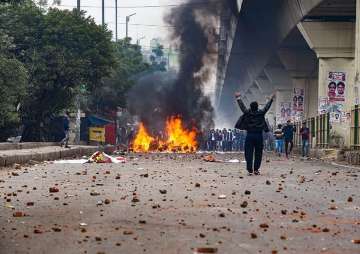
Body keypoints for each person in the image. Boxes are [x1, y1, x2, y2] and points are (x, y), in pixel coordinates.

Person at [234, 92, 275, 175]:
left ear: (250, 107)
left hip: (249, 135)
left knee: (248, 153)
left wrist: (238, 98)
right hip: (259, 135)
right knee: (258, 153)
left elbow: (242, 107)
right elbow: (266, 107)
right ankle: (256, 169)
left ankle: (250, 170)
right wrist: (271, 99)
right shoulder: (261, 113)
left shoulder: (247, 113)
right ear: (257, 107)